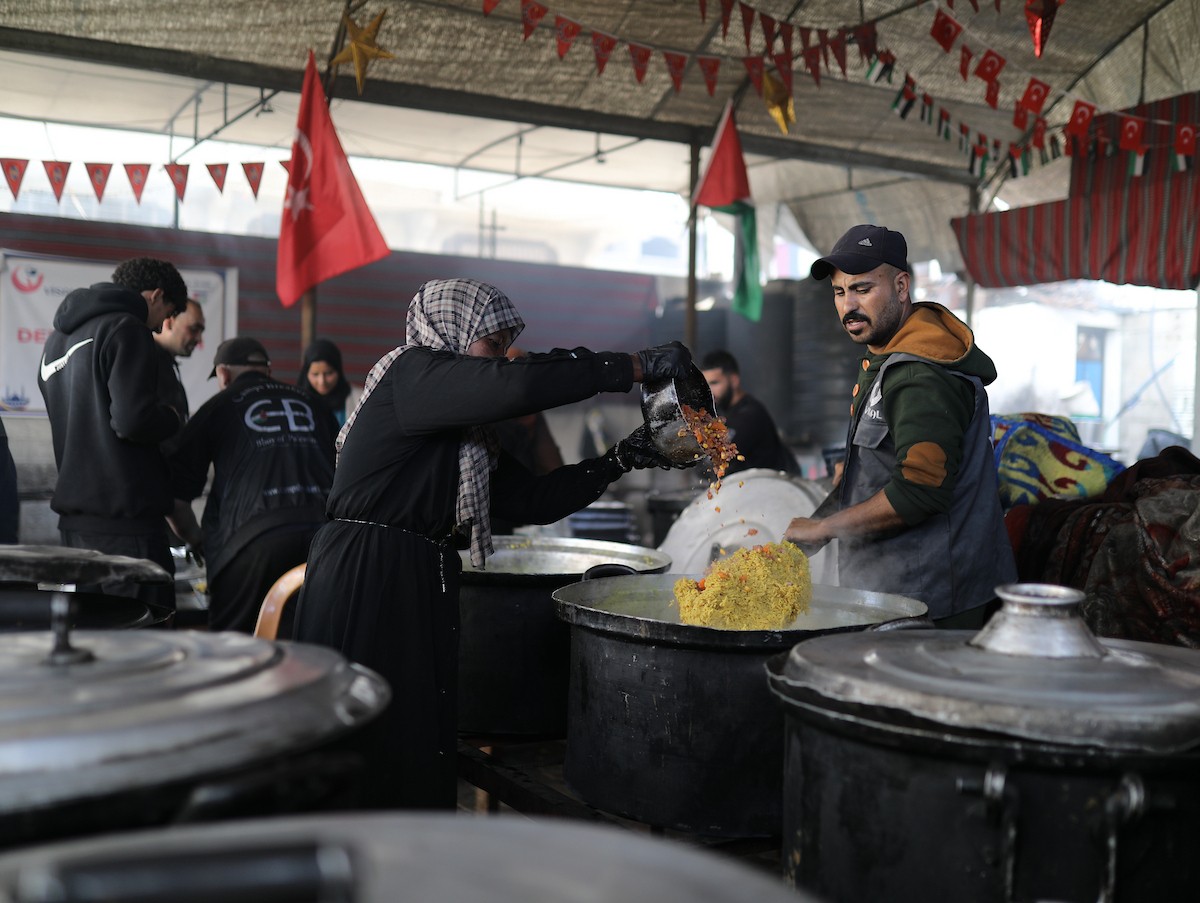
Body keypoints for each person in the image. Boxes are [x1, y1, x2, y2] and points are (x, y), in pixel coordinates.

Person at [293, 278, 693, 810]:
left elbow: (531, 502)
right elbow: (521, 385)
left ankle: (409, 865)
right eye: (494, 343)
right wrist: (636, 366)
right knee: (364, 733)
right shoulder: (412, 373)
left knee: (413, 735)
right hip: (367, 571)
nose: (503, 358)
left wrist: (622, 458)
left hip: (415, 571)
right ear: (453, 331)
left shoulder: (469, 442)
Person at [783, 225, 1015, 626]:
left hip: (936, 603)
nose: (848, 306)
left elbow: (919, 494)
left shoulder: (921, 374)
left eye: (862, 289)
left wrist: (825, 527)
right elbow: (888, 462)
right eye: (839, 293)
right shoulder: (885, 362)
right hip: (893, 592)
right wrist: (850, 482)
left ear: (902, 286)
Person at [37, 257, 188, 609]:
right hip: (126, 524)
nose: (161, 326)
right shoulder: (127, 328)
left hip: (75, 527)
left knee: (91, 639)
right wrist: (172, 417)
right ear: (155, 296)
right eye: (167, 313)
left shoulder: (56, 340)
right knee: (144, 641)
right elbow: (132, 421)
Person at [168, 337, 336, 634]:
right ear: (267, 371)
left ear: (223, 374)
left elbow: (175, 498)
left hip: (250, 542)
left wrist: (198, 542)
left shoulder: (216, 407)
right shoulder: (317, 405)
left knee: (235, 647)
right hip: (325, 539)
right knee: (313, 641)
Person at [700, 349, 799, 475]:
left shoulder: (750, 415)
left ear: (734, 380)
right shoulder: (721, 411)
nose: (709, 391)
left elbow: (716, 460)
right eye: (705, 385)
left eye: (715, 383)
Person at [153, 297, 206, 425]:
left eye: (201, 331)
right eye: (193, 329)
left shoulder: (165, 365)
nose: (199, 339)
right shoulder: (145, 362)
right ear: (169, 322)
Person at [298, 338, 353, 427]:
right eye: (315, 374)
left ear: (338, 371)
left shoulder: (356, 400)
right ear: (306, 373)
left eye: (328, 373)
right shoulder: (297, 402)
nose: (322, 381)